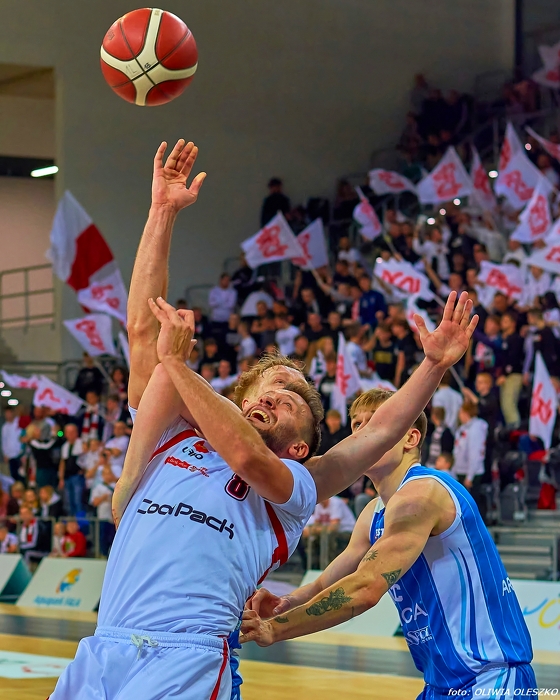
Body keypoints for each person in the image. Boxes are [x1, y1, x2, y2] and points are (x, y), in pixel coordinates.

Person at [53, 140, 476, 699]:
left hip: (188, 658)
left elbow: (365, 435)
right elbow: (142, 331)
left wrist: (432, 367)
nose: (275, 396)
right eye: (267, 389)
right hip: (103, 647)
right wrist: (162, 211)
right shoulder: (171, 435)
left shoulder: (296, 485)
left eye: (291, 398)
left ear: (301, 446)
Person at [242, 389, 536, 699]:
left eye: (376, 422)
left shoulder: (423, 493)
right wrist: (285, 603)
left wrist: (276, 629)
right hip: (440, 684)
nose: (363, 433)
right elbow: (326, 583)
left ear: (410, 438)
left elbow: (364, 588)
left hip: (492, 677)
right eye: (357, 425)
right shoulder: (374, 512)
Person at [89, 463, 117, 557]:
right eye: (105, 474)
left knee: (113, 539)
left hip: (114, 518)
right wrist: (104, 497)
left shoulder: (116, 486)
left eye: (109, 473)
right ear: (102, 475)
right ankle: (102, 555)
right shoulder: (98, 487)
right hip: (103, 517)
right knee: (103, 538)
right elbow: (95, 502)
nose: (108, 476)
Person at [58, 424, 85, 517]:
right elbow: (62, 463)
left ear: (76, 433)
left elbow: (86, 458)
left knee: (78, 500)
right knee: (68, 501)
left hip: (77, 476)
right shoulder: (65, 446)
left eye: (72, 432)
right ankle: (71, 521)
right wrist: (61, 478)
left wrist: (84, 470)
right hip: (67, 477)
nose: (70, 434)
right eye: (68, 432)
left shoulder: (82, 444)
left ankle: (80, 521)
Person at [2, 407, 23, 482]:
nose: (8, 415)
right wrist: (5, 453)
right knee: (13, 476)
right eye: (6, 414)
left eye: (9, 413)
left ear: (13, 413)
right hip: (10, 456)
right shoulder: (5, 427)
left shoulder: (19, 423)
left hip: (20, 455)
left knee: (22, 476)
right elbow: (4, 441)